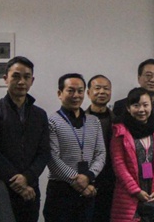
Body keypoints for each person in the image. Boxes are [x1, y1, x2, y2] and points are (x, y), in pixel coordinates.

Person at [0, 56, 50, 222]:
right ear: (5, 79)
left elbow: (44, 152)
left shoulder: (39, 115)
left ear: (32, 80)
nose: (21, 81)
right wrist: (19, 184)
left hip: (30, 191)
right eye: (16, 76)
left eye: (26, 77)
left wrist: (27, 178)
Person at [43, 73, 106, 222]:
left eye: (80, 91)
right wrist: (77, 182)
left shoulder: (94, 121)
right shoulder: (52, 121)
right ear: (60, 93)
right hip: (61, 190)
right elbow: (52, 157)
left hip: (88, 188)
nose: (76, 95)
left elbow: (101, 153)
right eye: (70, 90)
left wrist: (88, 176)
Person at [110, 87, 154, 222]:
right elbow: (119, 164)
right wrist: (136, 191)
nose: (141, 110)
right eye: (136, 105)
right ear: (128, 108)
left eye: (145, 105)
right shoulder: (120, 131)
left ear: (151, 106)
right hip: (128, 197)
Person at [86, 74, 116, 222]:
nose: (102, 92)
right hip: (87, 181)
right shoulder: (80, 119)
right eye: (97, 88)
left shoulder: (118, 120)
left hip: (112, 181)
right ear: (88, 92)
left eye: (106, 88)